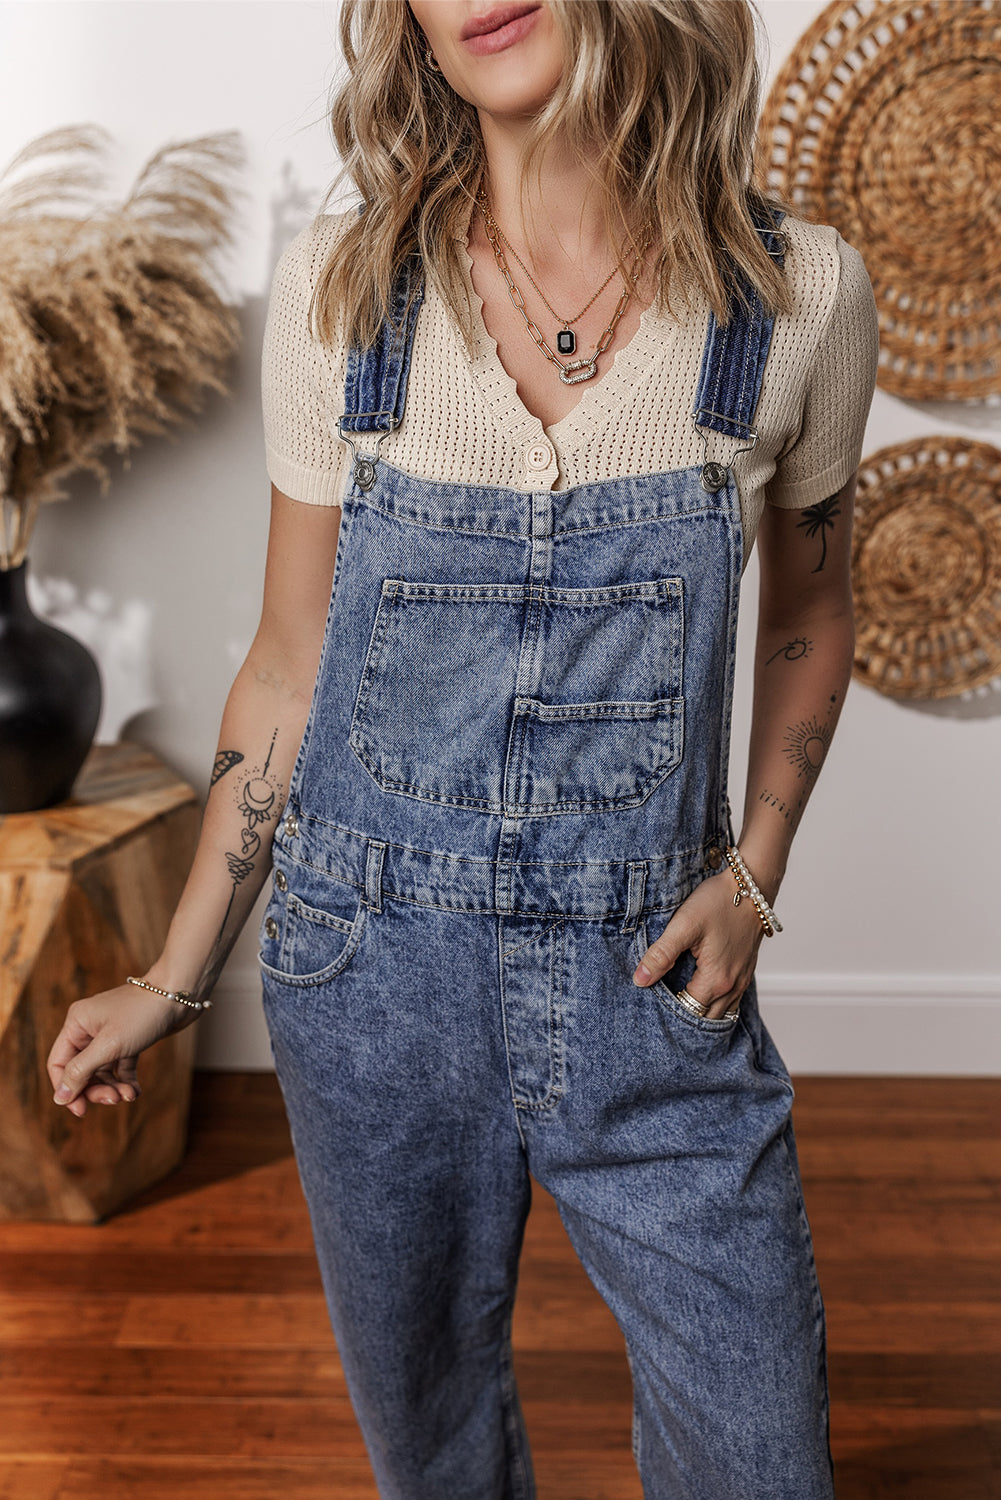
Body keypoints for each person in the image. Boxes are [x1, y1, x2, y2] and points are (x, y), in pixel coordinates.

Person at [48, 1, 879, 1494]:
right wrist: (174, 975)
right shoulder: (345, 292)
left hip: (647, 988)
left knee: (758, 1454)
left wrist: (753, 877)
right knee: (429, 1445)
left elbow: (812, 613)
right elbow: (287, 661)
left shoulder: (796, 295)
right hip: (368, 981)